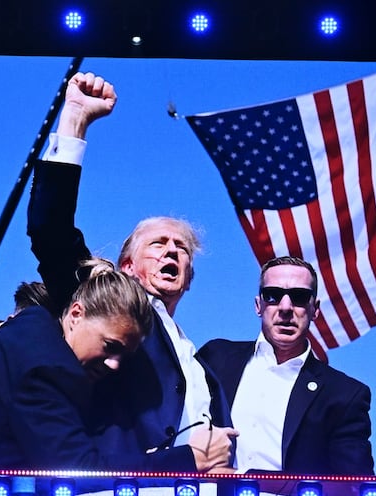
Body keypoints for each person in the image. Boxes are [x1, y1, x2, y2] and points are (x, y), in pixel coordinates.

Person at [0, 260, 235, 472]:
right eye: (110, 346)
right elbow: (77, 473)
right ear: (76, 313)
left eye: (125, 355)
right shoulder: (45, 369)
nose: (115, 364)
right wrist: (189, 458)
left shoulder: (32, 329)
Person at [28, 71, 230, 459]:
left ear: (190, 279)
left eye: (182, 249)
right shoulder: (106, 309)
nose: (171, 252)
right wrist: (74, 121)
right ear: (127, 266)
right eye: (158, 244)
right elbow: (49, 231)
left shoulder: (200, 361)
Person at [197, 256, 375, 475]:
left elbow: (354, 486)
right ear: (258, 305)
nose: (286, 307)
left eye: (299, 297)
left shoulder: (344, 395)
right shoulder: (216, 358)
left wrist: (241, 478)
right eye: (273, 295)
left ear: (315, 309)